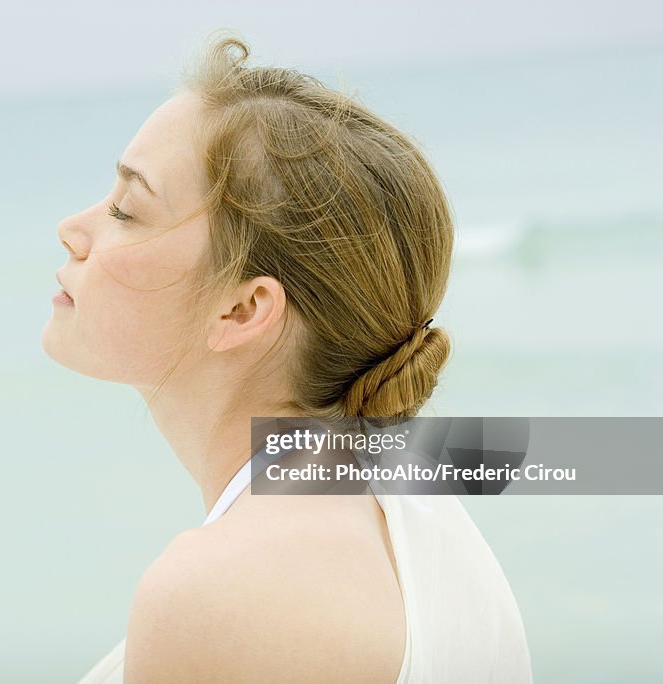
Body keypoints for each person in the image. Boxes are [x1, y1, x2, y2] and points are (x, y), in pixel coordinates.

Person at [42, 29, 533, 684]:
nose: (73, 228)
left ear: (243, 310)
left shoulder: (221, 593)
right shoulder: (392, 506)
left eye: (128, 209)